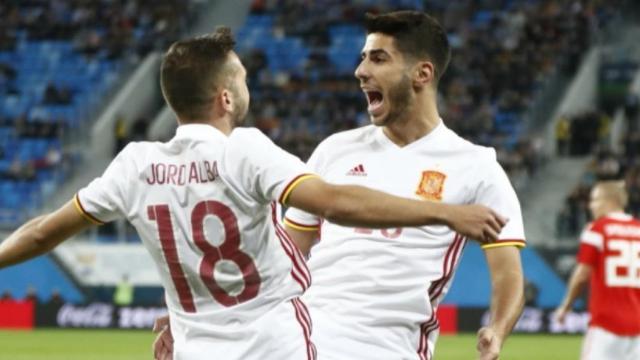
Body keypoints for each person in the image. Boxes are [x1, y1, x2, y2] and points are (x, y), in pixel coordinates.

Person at [0, 27, 506, 360]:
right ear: (225, 97)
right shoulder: (244, 150)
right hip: (273, 346)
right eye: (240, 78)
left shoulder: (135, 165)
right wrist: (443, 213)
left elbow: (43, 232)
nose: (247, 85)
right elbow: (334, 203)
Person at [154, 11, 525, 360]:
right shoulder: (335, 151)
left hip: (387, 347)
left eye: (378, 59)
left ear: (422, 73)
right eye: (362, 58)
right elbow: (283, 258)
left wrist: (497, 328)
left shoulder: (476, 166)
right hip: (302, 340)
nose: (360, 71)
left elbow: (508, 272)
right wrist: (206, 308)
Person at [555, 181, 640, 360]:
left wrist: (566, 306)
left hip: (606, 325)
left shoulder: (597, 230)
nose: (590, 205)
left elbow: (581, 276)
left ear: (609, 201)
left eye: (595, 200)